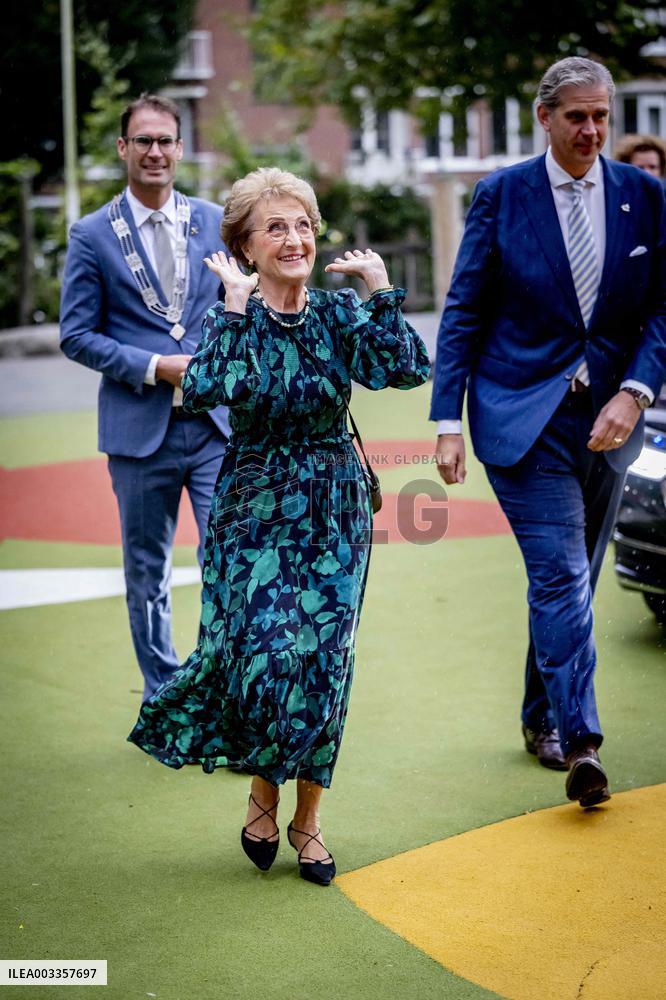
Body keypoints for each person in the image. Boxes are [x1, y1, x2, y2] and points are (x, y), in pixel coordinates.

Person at [128, 167, 430, 885]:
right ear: (245, 245)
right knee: (265, 657)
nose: (293, 238)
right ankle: (264, 789)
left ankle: (307, 821)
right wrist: (232, 311)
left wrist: (380, 290)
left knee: (321, 667)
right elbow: (202, 391)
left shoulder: (334, 313)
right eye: (275, 227)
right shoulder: (232, 314)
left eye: (302, 224)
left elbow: (407, 369)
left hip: (333, 504)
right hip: (253, 506)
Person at [431, 57, 666, 807]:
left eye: (601, 116)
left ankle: (540, 717)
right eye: (577, 117)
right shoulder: (502, 195)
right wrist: (446, 422)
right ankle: (582, 743)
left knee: (570, 582)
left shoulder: (645, 196)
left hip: (609, 420)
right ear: (544, 118)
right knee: (562, 572)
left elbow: (662, 310)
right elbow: (464, 309)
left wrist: (634, 392)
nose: (592, 129)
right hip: (519, 416)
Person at [60, 94, 231, 700]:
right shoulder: (90, 235)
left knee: (229, 566)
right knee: (147, 573)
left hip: (217, 428)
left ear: (181, 149)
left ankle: (225, 691)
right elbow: (76, 336)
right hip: (139, 432)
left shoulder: (217, 221)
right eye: (143, 141)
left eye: (165, 141)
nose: (155, 151)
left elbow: (242, 307)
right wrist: (156, 365)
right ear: (123, 149)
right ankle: (165, 694)